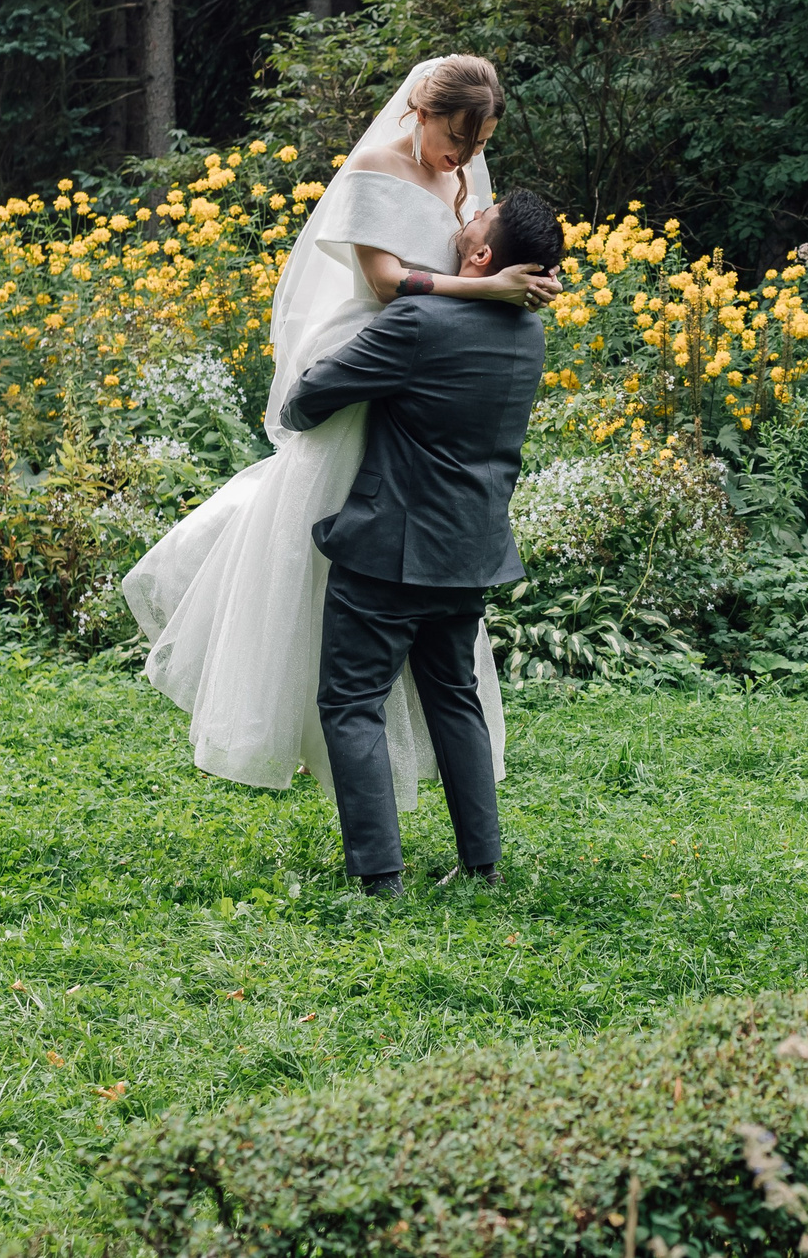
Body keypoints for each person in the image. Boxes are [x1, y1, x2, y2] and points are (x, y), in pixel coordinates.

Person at [119, 56, 557, 821]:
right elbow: (388, 283)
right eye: (456, 139)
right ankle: (321, 735)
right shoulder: (374, 168)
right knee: (321, 555)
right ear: (421, 109)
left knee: (407, 606)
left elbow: (477, 254)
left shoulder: (460, 178)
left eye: (476, 144)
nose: (463, 160)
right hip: (376, 353)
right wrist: (489, 289)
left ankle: (389, 787)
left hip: (424, 373)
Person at [279, 189, 565, 894]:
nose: (461, 218)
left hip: (390, 546)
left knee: (350, 702)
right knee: (454, 696)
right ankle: (482, 863)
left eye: (475, 219)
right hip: (470, 547)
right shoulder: (527, 334)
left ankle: (379, 879)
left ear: (482, 254)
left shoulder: (418, 321)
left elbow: (310, 397)